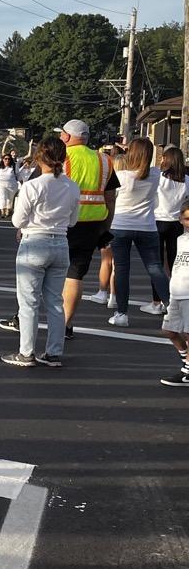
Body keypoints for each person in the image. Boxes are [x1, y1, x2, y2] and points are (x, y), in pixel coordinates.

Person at [0, 119, 118, 340]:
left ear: (66, 137)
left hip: (60, 223)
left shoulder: (60, 158)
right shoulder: (104, 160)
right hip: (92, 224)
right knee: (75, 275)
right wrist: (105, 228)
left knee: (40, 276)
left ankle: (21, 318)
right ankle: (66, 326)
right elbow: (110, 198)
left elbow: (38, 189)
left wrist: (24, 226)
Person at [3, 137, 79, 368]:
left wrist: (26, 227)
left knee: (29, 302)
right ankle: (53, 353)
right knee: (55, 302)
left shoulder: (32, 185)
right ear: (63, 158)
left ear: (39, 158)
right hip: (61, 243)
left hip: (34, 243)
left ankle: (26, 353)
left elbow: (17, 219)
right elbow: (73, 221)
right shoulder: (72, 186)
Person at [107, 137, 170, 326]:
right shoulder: (156, 174)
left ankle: (122, 314)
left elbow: (110, 198)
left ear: (130, 153)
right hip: (147, 226)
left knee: (122, 270)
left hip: (120, 225)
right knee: (155, 268)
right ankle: (172, 308)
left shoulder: (120, 175)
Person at [149, 146, 187, 313]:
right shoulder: (186, 180)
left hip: (157, 221)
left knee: (156, 264)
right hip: (177, 223)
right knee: (175, 264)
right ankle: (174, 300)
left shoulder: (159, 178)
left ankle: (157, 302)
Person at [159, 199, 189, 385]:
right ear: (180, 219)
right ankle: (186, 363)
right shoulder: (180, 239)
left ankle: (188, 370)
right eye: (186, 218)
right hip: (176, 292)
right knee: (169, 331)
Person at [0, 152, 20, 219]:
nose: (7, 160)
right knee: (3, 197)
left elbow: (18, 175)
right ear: (3, 159)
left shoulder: (14, 166)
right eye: (5, 159)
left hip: (12, 185)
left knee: (9, 199)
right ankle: (2, 211)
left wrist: (22, 183)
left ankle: (8, 211)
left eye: (9, 159)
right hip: (0, 185)